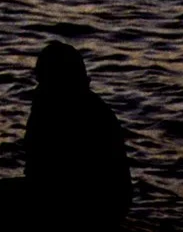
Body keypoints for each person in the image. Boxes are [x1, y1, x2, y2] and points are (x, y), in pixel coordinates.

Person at [24, 40, 132, 227]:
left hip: (88, 207)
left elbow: (40, 166)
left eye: (43, 81)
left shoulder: (85, 115)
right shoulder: (94, 110)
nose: (38, 88)